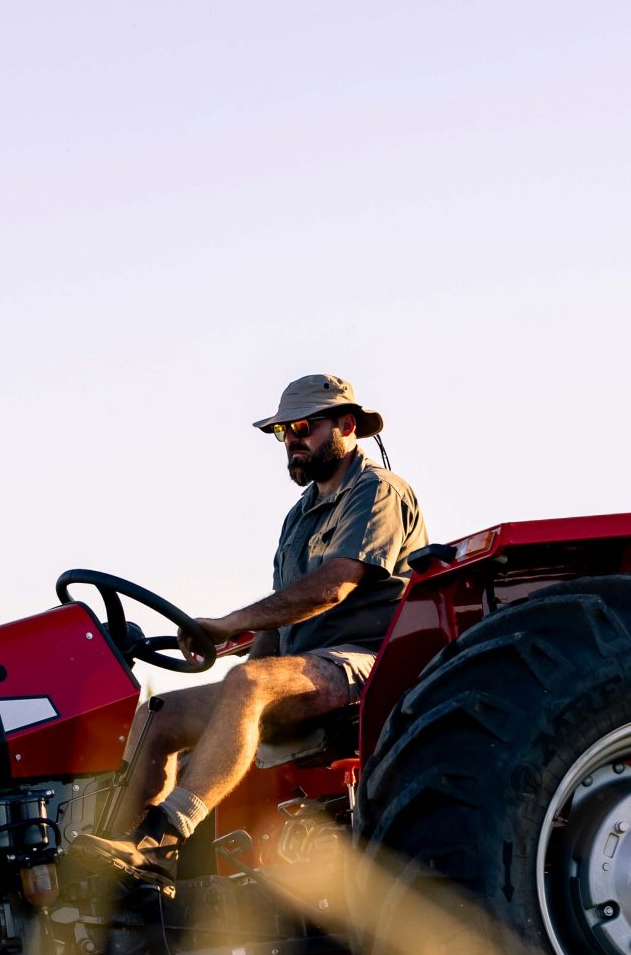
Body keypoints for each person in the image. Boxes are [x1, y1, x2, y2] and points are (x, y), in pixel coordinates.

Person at [72, 373, 427, 888]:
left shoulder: (378, 492)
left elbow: (332, 588)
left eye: (303, 426)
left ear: (347, 425)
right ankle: (116, 867)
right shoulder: (297, 517)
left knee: (250, 685)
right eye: (282, 432)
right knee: (157, 714)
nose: (291, 441)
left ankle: (165, 836)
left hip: (366, 665)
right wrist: (230, 667)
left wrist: (228, 627)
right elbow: (278, 628)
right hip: (302, 668)